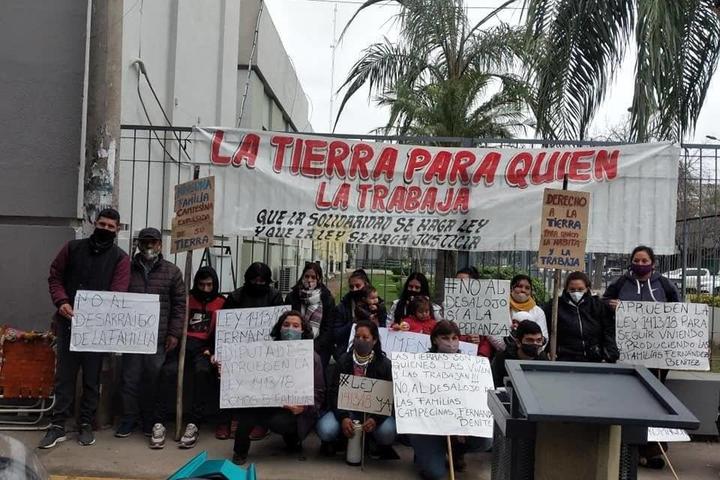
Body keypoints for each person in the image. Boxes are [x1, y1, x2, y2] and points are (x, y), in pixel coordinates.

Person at [40, 209, 130, 449]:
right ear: (94, 223)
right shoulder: (72, 248)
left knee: (92, 379)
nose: (106, 229)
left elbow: (118, 292)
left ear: (117, 230)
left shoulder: (121, 258)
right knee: (64, 378)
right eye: (102, 224)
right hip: (68, 323)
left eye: (111, 227)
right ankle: (57, 425)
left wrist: (99, 313)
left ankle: (86, 425)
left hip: (96, 331)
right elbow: (55, 276)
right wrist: (61, 302)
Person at [602, 245, 679, 470]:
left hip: (657, 354)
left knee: (655, 401)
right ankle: (628, 450)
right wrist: (613, 305)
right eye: (637, 260)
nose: (641, 264)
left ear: (653, 263)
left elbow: (678, 308)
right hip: (628, 353)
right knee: (629, 401)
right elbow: (605, 300)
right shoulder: (622, 282)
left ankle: (652, 450)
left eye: (645, 261)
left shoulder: (664, 284)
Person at [115, 228, 186, 447]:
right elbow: (116, 297)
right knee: (129, 379)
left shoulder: (172, 272)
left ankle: (150, 420)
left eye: (153, 242)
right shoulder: (125, 268)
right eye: (145, 242)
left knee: (153, 379)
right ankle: (128, 418)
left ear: (160, 245)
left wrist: (174, 333)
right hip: (132, 337)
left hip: (158, 338)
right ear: (138, 244)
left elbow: (180, 306)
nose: (149, 246)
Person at [231, 310, 325, 465]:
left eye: (296, 326)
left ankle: (293, 438)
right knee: (247, 413)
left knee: (279, 421)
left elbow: (319, 392)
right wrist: (228, 369)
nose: (290, 329)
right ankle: (239, 451)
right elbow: (248, 376)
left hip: (295, 410)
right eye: (286, 325)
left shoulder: (312, 357)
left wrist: (304, 408)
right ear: (279, 328)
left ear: (303, 330)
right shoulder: (265, 352)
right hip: (268, 403)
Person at [153, 266, 225, 449]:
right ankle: (159, 422)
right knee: (167, 372)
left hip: (205, 348)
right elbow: (175, 320)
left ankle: (194, 422)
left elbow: (223, 330)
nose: (206, 289)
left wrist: (212, 348)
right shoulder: (187, 300)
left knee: (202, 373)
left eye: (209, 285)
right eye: (201, 285)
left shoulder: (222, 302)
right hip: (183, 344)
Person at [408, 321, 489, 478]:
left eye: (454, 338)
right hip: (428, 426)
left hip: (457, 424)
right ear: (435, 340)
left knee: (485, 440)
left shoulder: (468, 365)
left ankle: (456, 452)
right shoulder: (420, 364)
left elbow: (471, 399)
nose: (451, 343)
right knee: (435, 474)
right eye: (445, 338)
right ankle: (425, 453)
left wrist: (463, 424)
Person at [216, 262, 284, 440]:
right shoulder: (236, 296)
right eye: (254, 280)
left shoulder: (275, 296)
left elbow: (279, 324)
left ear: (268, 281)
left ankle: (261, 423)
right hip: (238, 350)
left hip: (266, 351)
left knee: (266, 377)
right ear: (248, 279)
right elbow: (225, 326)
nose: (258, 283)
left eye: (262, 281)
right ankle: (226, 420)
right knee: (226, 375)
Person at [318, 320, 396, 456]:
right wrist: (343, 417)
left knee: (387, 432)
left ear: (375, 340)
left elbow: (389, 396)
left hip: (373, 414)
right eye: (357, 337)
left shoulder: (385, 364)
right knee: (326, 430)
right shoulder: (343, 361)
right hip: (348, 411)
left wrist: (375, 419)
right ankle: (341, 438)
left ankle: (373, 440)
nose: (360, 340)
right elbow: (334, 392)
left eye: (365, 337)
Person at [545, 272, 618, 363]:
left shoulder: (598, 305)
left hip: (595, 358)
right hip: (564, 358)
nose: (576, 293)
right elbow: (547, 329)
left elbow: (608, 330)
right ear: (566, 289)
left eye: (580, 289)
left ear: (587, 289)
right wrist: (549, 350)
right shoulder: (555, 306)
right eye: (572, 290)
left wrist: (610, 354)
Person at [285, 262, 336, 368]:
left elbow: (328, 328)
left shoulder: (327, 299)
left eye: (313, 277)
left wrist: (313, 347)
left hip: (320, 347)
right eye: (307, 276)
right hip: (294, 343)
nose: (309, 280)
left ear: (319, 279)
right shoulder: (292, 297)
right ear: (302, 276)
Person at [491, 274, 548, 352]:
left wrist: (529, 351)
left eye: (527, 288)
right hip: (504, 353)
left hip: (531, 356)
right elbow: (493, 333)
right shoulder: (500, 306)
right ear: (512, 288)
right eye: (519, 286)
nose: (523, 290)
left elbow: (544, 337)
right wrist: (510, 350)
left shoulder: (538, 312)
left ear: (531, 291)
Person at [492, 320, 548, 388]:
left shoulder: (543, 361)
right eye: (530, 340)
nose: (535, 344)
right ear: (518, 342)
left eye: (539, 340)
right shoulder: (502, 360)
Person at [452, 268, 493, 358]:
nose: (459, 287)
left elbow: (487, 341)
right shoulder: (447, 309)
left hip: (475, 361)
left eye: (464, 283)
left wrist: (481, 353)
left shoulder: (484, 311)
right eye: (457, 283)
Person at [332, 269, 372, 359]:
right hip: (346, 350)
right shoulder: (342, 307)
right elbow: (336, 334)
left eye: (358, 286)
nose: (354, 289)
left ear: (366, 285)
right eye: (351, 287)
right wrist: (352, 323)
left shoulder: (375, 305)